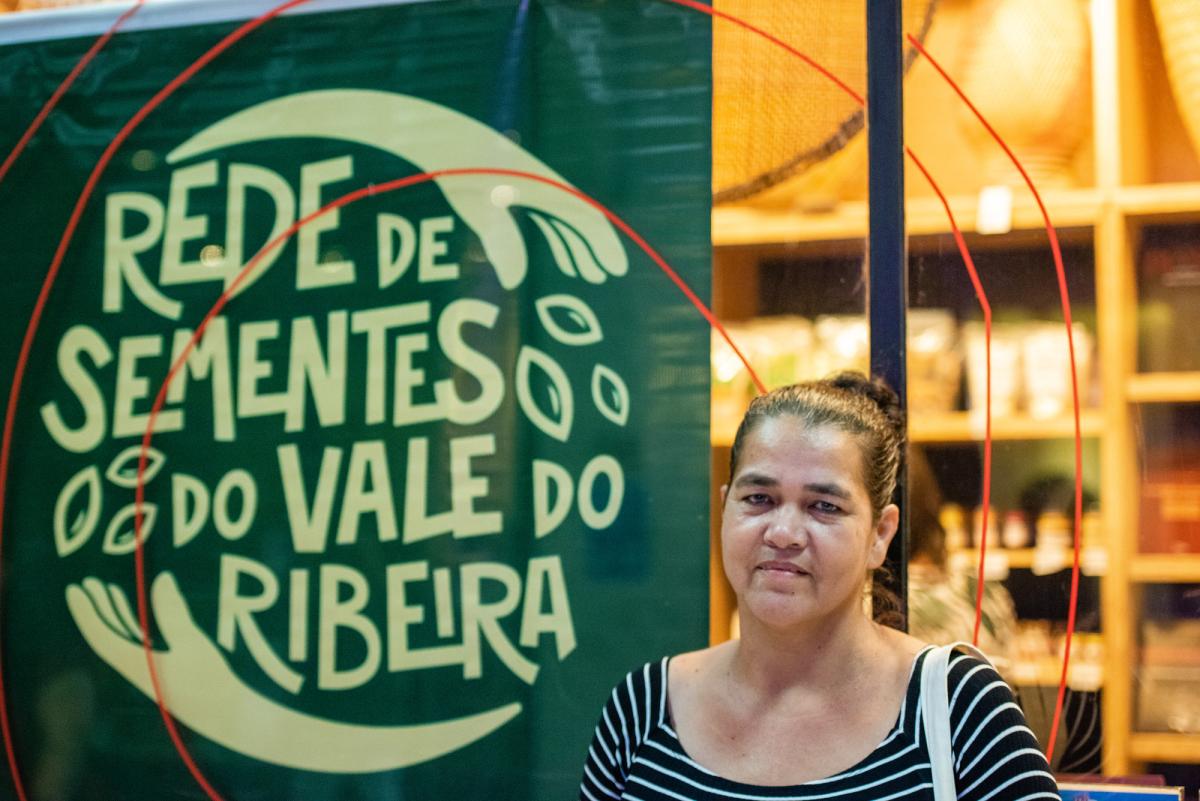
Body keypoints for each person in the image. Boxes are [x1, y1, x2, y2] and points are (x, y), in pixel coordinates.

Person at [578, 373, 1058, 800]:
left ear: (880, 535)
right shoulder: (642, 709)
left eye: (824, 506)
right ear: (725, 509)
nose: (783, 533)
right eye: (759, 499)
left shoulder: (957, 708)